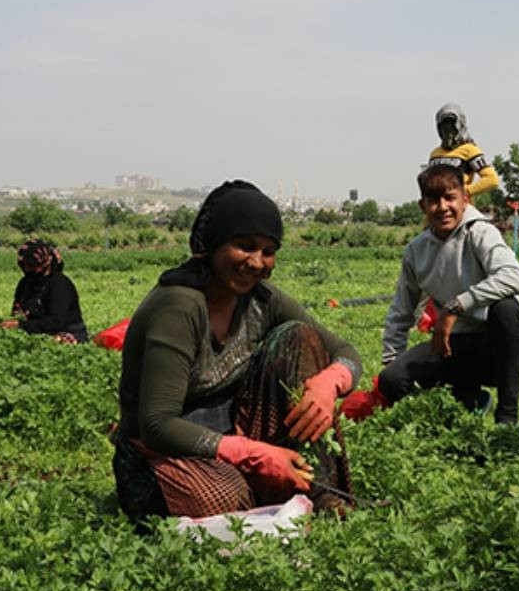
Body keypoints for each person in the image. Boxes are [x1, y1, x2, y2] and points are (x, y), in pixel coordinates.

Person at [113, 181, 361, 522]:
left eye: (268, 251)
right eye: (245, 247)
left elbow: (344, 351)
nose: (257, 262)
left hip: (234, 437)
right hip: (162, 453)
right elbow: (157, 425)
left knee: (300, 337)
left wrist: (329, 383)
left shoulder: (263, 299)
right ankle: (269, 492)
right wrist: (252, 455)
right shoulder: (179, 306)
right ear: (213, 246)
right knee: (223, 498)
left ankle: (322, 495)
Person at [341, 164, 519, 424]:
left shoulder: (480, 233)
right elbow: (401, 311)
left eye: (450, 198)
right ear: (423, 205)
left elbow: (515, 277)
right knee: (391, 380)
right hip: (450, 345)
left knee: (506, 308)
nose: (442, 207)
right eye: (433, 200)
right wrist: (392, 362)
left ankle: (507, 418)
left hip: (496, 350)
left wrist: (456, 306)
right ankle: (469, 397)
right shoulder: (417, 250)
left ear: (465, 199)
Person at [0, 240, 89, 343]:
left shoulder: (59, 284)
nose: (27, 269)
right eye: (24, 265)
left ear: (44, 263)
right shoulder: (25, 283)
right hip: (35, 331)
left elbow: (56, 322)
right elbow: (17, 312)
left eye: (31, 265)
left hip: (67, 332)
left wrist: (21, 325)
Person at [427, 103, 500, 197]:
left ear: (460, 126)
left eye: (451, 126)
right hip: (438, 204)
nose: (448, 131)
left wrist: (465, 192)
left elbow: (492, 179)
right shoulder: (434, 154)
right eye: (444, 127)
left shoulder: (470, 150)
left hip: (460, 204)